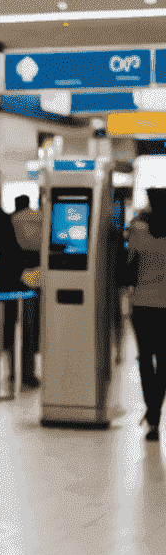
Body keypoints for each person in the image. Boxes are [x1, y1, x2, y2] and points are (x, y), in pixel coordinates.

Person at [124, 188, 166, 442]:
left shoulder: (139, 230)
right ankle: (155, 415)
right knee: (163, 362)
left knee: (144, 359)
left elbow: (128, 262)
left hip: (141, 305)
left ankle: (151, 414)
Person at [11, 194, 43, 387]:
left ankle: (21, 371)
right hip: (37, 270)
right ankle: (28, 372)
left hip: (20, 273)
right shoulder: (39, 217)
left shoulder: (14, 219)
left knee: (23, 324)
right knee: (32, 324)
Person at [0, 196, 22, 366]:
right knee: (10, 309)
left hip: (0, 271)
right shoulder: (8, 219)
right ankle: (8, 342)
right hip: (11, 270)